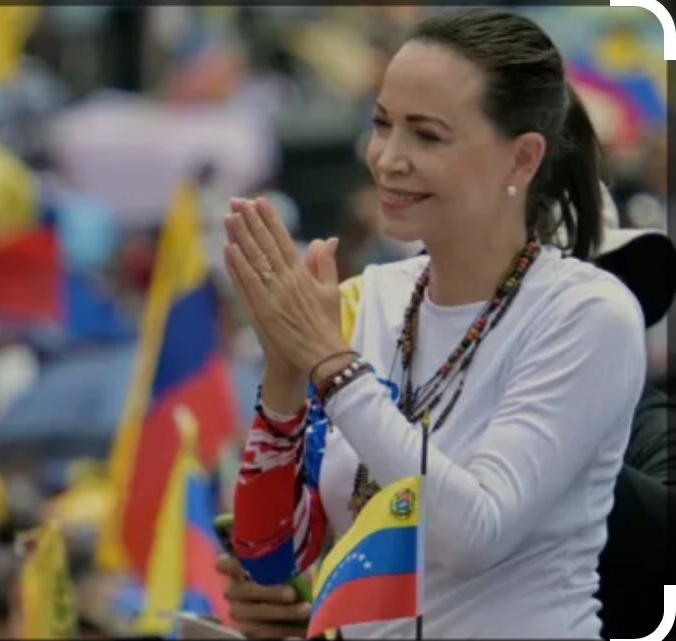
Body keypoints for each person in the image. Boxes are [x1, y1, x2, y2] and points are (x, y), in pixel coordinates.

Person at [222, 9, 648, 638]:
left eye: (427, 135)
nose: (390, 159)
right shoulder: (366, 300)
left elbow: (475, 533)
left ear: (522, 159)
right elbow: (271, 555)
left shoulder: (587, 314)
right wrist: (285, 375)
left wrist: (335, 369)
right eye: (382, 124)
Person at [216, 188, 676, 640]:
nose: (507, 310)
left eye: (534, 280)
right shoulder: (391, 385)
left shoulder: (649, 422)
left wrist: (563, 451)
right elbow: (288, 553)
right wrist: (305, 603)